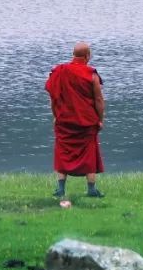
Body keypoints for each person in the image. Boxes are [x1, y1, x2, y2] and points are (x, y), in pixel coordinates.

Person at [45, 42, 105, 198]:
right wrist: (100, 119)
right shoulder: (91, 75)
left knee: (63, 152)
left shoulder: (59, 72)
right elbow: (98, 99)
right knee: (89, 153)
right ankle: (91, 189)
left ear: (73, 55)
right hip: (86, 122)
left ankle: (60, 189)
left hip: (64, 121)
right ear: (87, 56)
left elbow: (54, 98)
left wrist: (56, 116)